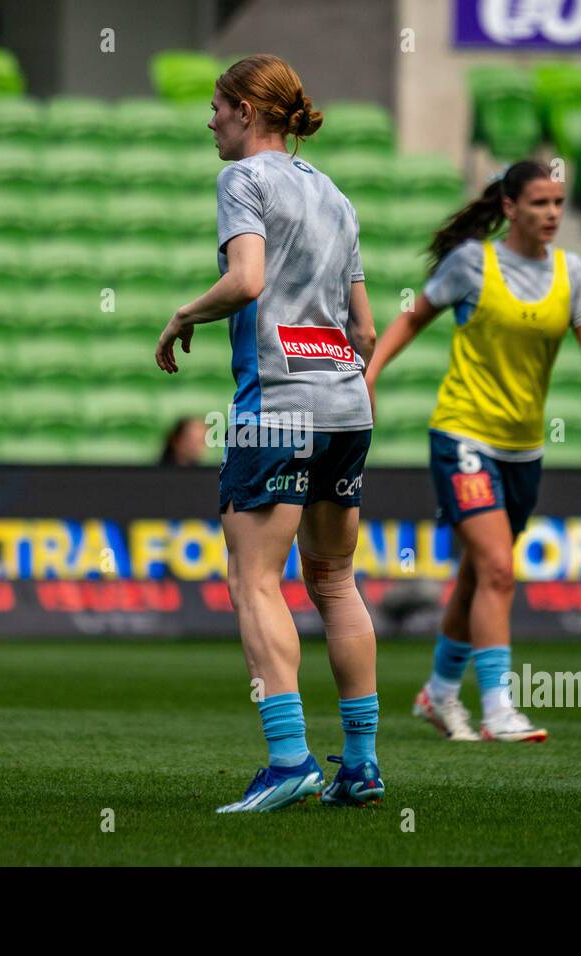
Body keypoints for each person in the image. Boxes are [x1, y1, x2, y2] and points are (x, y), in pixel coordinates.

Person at [156, 54, 382, 811]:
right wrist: (338, 389)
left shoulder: (242, 181)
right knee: (335, 581)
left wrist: (186, 313)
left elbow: (248, 281)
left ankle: (289, 760)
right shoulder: (335, 194)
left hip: (278, 406)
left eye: (218, 107)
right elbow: (366, 329)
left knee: (254, 579)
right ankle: (360, 764)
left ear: (249, 111)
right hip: (346, 405)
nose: (210, 120)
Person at [365, 160, 581, 742]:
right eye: (540, 203)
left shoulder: (574, 273)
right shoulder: (473, 263)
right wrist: (371, 373)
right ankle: (498, 709)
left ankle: (438, 694)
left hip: (523, 450)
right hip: (463, 432)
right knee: (496, 568)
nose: (553, 215)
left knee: (476, 575)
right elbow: (413, 318)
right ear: (510, 208)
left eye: (560, 203)